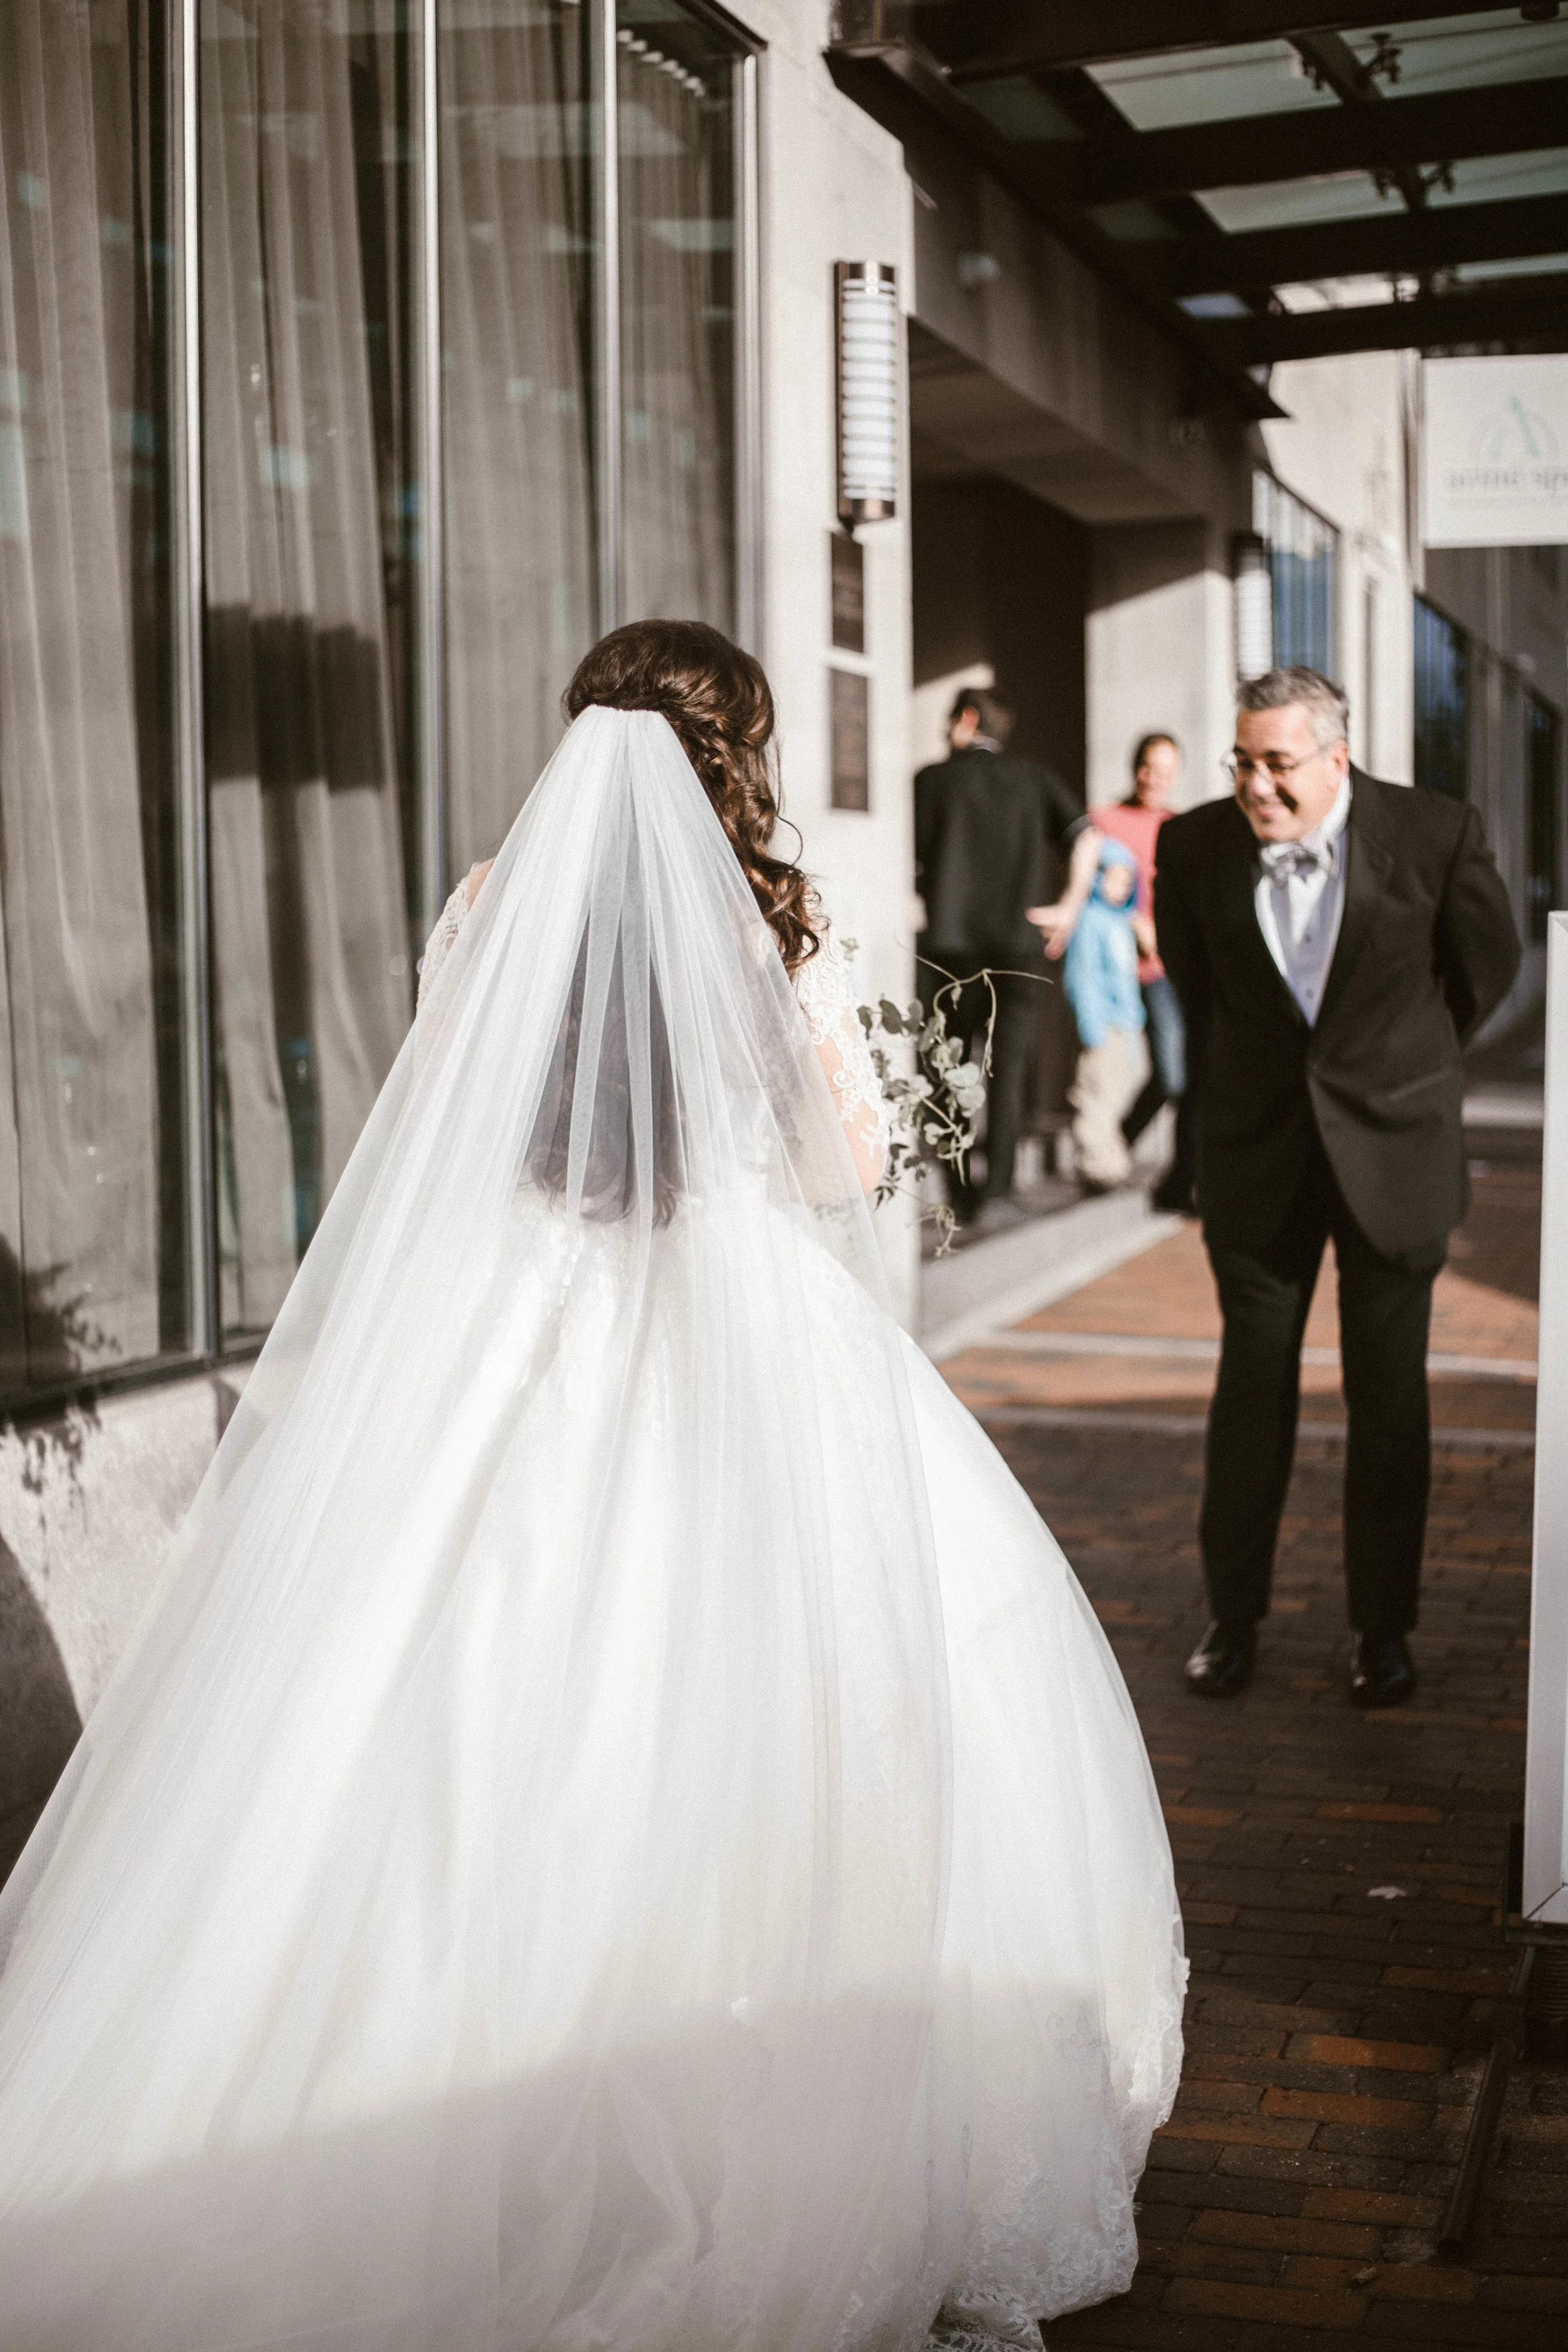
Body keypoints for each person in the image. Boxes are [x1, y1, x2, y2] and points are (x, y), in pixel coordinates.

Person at [0, 622, 1184, 2351]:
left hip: (520, 1323)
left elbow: (446, 1125)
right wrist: (877, 1097)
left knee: (455, 1693)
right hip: (736, 1332)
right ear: (740, 751)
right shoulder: (777, 919)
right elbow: (838, 1162)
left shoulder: (492, 904)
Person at [1154, 666, 1520, 1709]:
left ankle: (1383, 1630)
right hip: (1258, 1159)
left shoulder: (1436, 833)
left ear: (1336, 757)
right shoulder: (1194, 845)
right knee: (1250, 1392)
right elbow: (1198, 988)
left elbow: (1484, 971)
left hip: (1396, 1157)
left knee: (1390, 1399)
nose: (1255, 784)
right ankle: (1232, 1620)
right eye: (1242, 761)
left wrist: (1405, 1068)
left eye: (1277, 763)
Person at [916, 687, 1100, 1232]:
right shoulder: (1033, 779)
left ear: (968, 719)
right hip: (1019, 948)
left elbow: (907, 858)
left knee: (946, 1067)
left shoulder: (932, 780)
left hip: (950, 950)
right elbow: (1088, 838)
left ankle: (959, 1190)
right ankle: (998, 1191)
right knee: (1009, 1068)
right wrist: (1068, 909)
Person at [1089, 734, 1196, 1214]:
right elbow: (1088, 889)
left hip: (1168, 970)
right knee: (1141, 1074)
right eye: (1150, 767)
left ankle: (1139, 1154)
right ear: (1136, 768)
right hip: (1115, 970)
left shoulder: (1180, 827)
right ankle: (1106, 1150)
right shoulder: (1103, 821)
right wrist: (1131, 920)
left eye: (1167, 771)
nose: (1156, 779)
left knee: (1180, 1078)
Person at [1062, 838, 1145, 1192]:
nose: (1121, 887)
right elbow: (1081, 977)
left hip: (1127, 1024)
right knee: (1096, 1097)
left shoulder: (1121, 922)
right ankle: (1097, 1169)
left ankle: (1113, 1163)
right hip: (1104, 1025)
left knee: (1117, 1096)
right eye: (1114, 878)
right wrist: (1091, 1027)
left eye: (1127, 880)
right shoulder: (1089, 921)